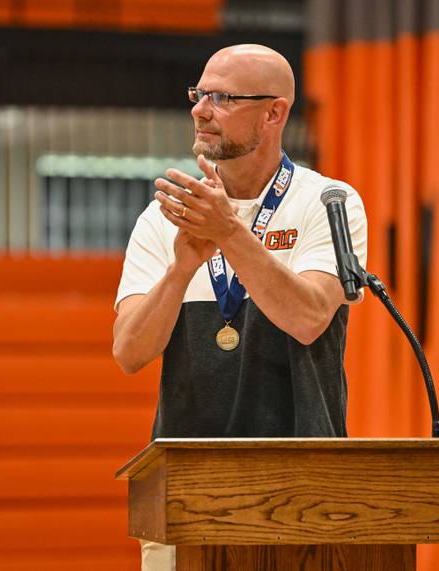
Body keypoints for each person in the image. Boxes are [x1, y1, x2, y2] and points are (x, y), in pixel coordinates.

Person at [112, 44, 367, 570]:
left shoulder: (328, 202)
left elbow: (307, 319)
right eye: (198, 94)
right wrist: (182, 268)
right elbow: (129, 352)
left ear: (274, 112)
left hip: (306, 492)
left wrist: (229, 234)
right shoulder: (162, 220)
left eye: (221, 98)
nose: (199, 110)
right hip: (186, 488)